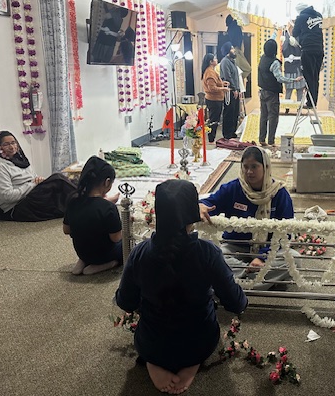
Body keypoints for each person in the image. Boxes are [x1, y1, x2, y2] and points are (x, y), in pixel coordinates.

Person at [116, 179, 247, 395]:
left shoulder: (140, 252)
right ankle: (191, 362)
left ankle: (153, 361)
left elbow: (125, 301)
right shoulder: (208, 253)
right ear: (192, 212)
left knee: (154, 332)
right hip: (199, 342)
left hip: (151, 343)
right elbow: (235, 302)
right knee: (199, 328)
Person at [199, 146, 297, 290]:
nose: (249, 172)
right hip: (236, 246)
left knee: (294, 258)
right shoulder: (233, 188)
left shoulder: (279, 193)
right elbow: (210, 203)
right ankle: (254, 278)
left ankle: (233, 282)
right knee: (214, 255)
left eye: (254, 167)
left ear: (266, 167)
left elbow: (285, 233)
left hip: (269, 248)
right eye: (245, 167)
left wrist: (262, 257)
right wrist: (201, 205)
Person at [0, 130, 77, 221]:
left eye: (13, 143)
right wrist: (33, 184)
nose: (12, 147)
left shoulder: (20, 160)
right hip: (19, 206)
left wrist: (39, 181)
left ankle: (81, 205)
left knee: (72, 181)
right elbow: (8, 196)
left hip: (32, 195)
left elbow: (33, 178)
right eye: (6, 144)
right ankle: (82, 204)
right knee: (58, 179)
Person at [63, 156, 122, 275]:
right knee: (129, 244)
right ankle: (105, 264)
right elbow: (116, 238)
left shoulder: (73, 201)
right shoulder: (109, 208)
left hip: (82, 252)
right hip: (104, 255)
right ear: (107, 182)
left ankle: (84, 261)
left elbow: (66, 230)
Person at [257, 39, 303, 147]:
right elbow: (280, 78)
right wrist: (294, 80)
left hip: (262, 92)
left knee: (263, 117)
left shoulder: (262, 58)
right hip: (272, 93)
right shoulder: (275, 62)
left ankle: (262, 139)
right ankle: (271, 141)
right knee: (273, 117)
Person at [291, 3, 324, 108]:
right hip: (319, 50)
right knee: (315, 77)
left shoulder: (301, 17)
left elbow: (295, 33)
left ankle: (310, 103)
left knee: (308, 76)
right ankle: (314, 101)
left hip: (308, 49)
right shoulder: (319, 15)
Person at [201, 53, 230, 143]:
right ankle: (211, 139)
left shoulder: (211, 71)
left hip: (216, 99)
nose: (217, 60)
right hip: (213, 100)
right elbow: (212, 88)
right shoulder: (210, 73)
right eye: (215, 59)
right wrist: (223, 89)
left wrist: (222, 83)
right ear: (211, 62)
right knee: (214, 120)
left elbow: (215, 84)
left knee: (215, 119)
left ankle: (211, 138)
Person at [219, 42, 241, 139]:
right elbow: (228, 77)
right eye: (232, 48)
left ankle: (232, 131)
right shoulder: (225, 61)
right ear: (228, 51)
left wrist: (238, 89)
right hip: (230, 91)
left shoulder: (232, 61)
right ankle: (227, 134)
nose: (234, 50)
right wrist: (234, 89)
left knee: (235, 112)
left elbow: (236, 77)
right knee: (229, 112)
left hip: (235, 90)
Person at [281, 30, 304, 110]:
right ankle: (289, 108)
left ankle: (296, 108)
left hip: (296, 68)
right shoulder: (288, 38)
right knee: (291, 90)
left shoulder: (297, 38)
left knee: (297, 90)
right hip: (293, 69)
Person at [225, 15, 252, 82]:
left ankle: (238, 79)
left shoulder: (230, 29)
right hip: (236, 49)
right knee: (244, 68)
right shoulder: (235, 26)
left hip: (236, 49)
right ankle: (238, 79)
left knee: (241, 69)